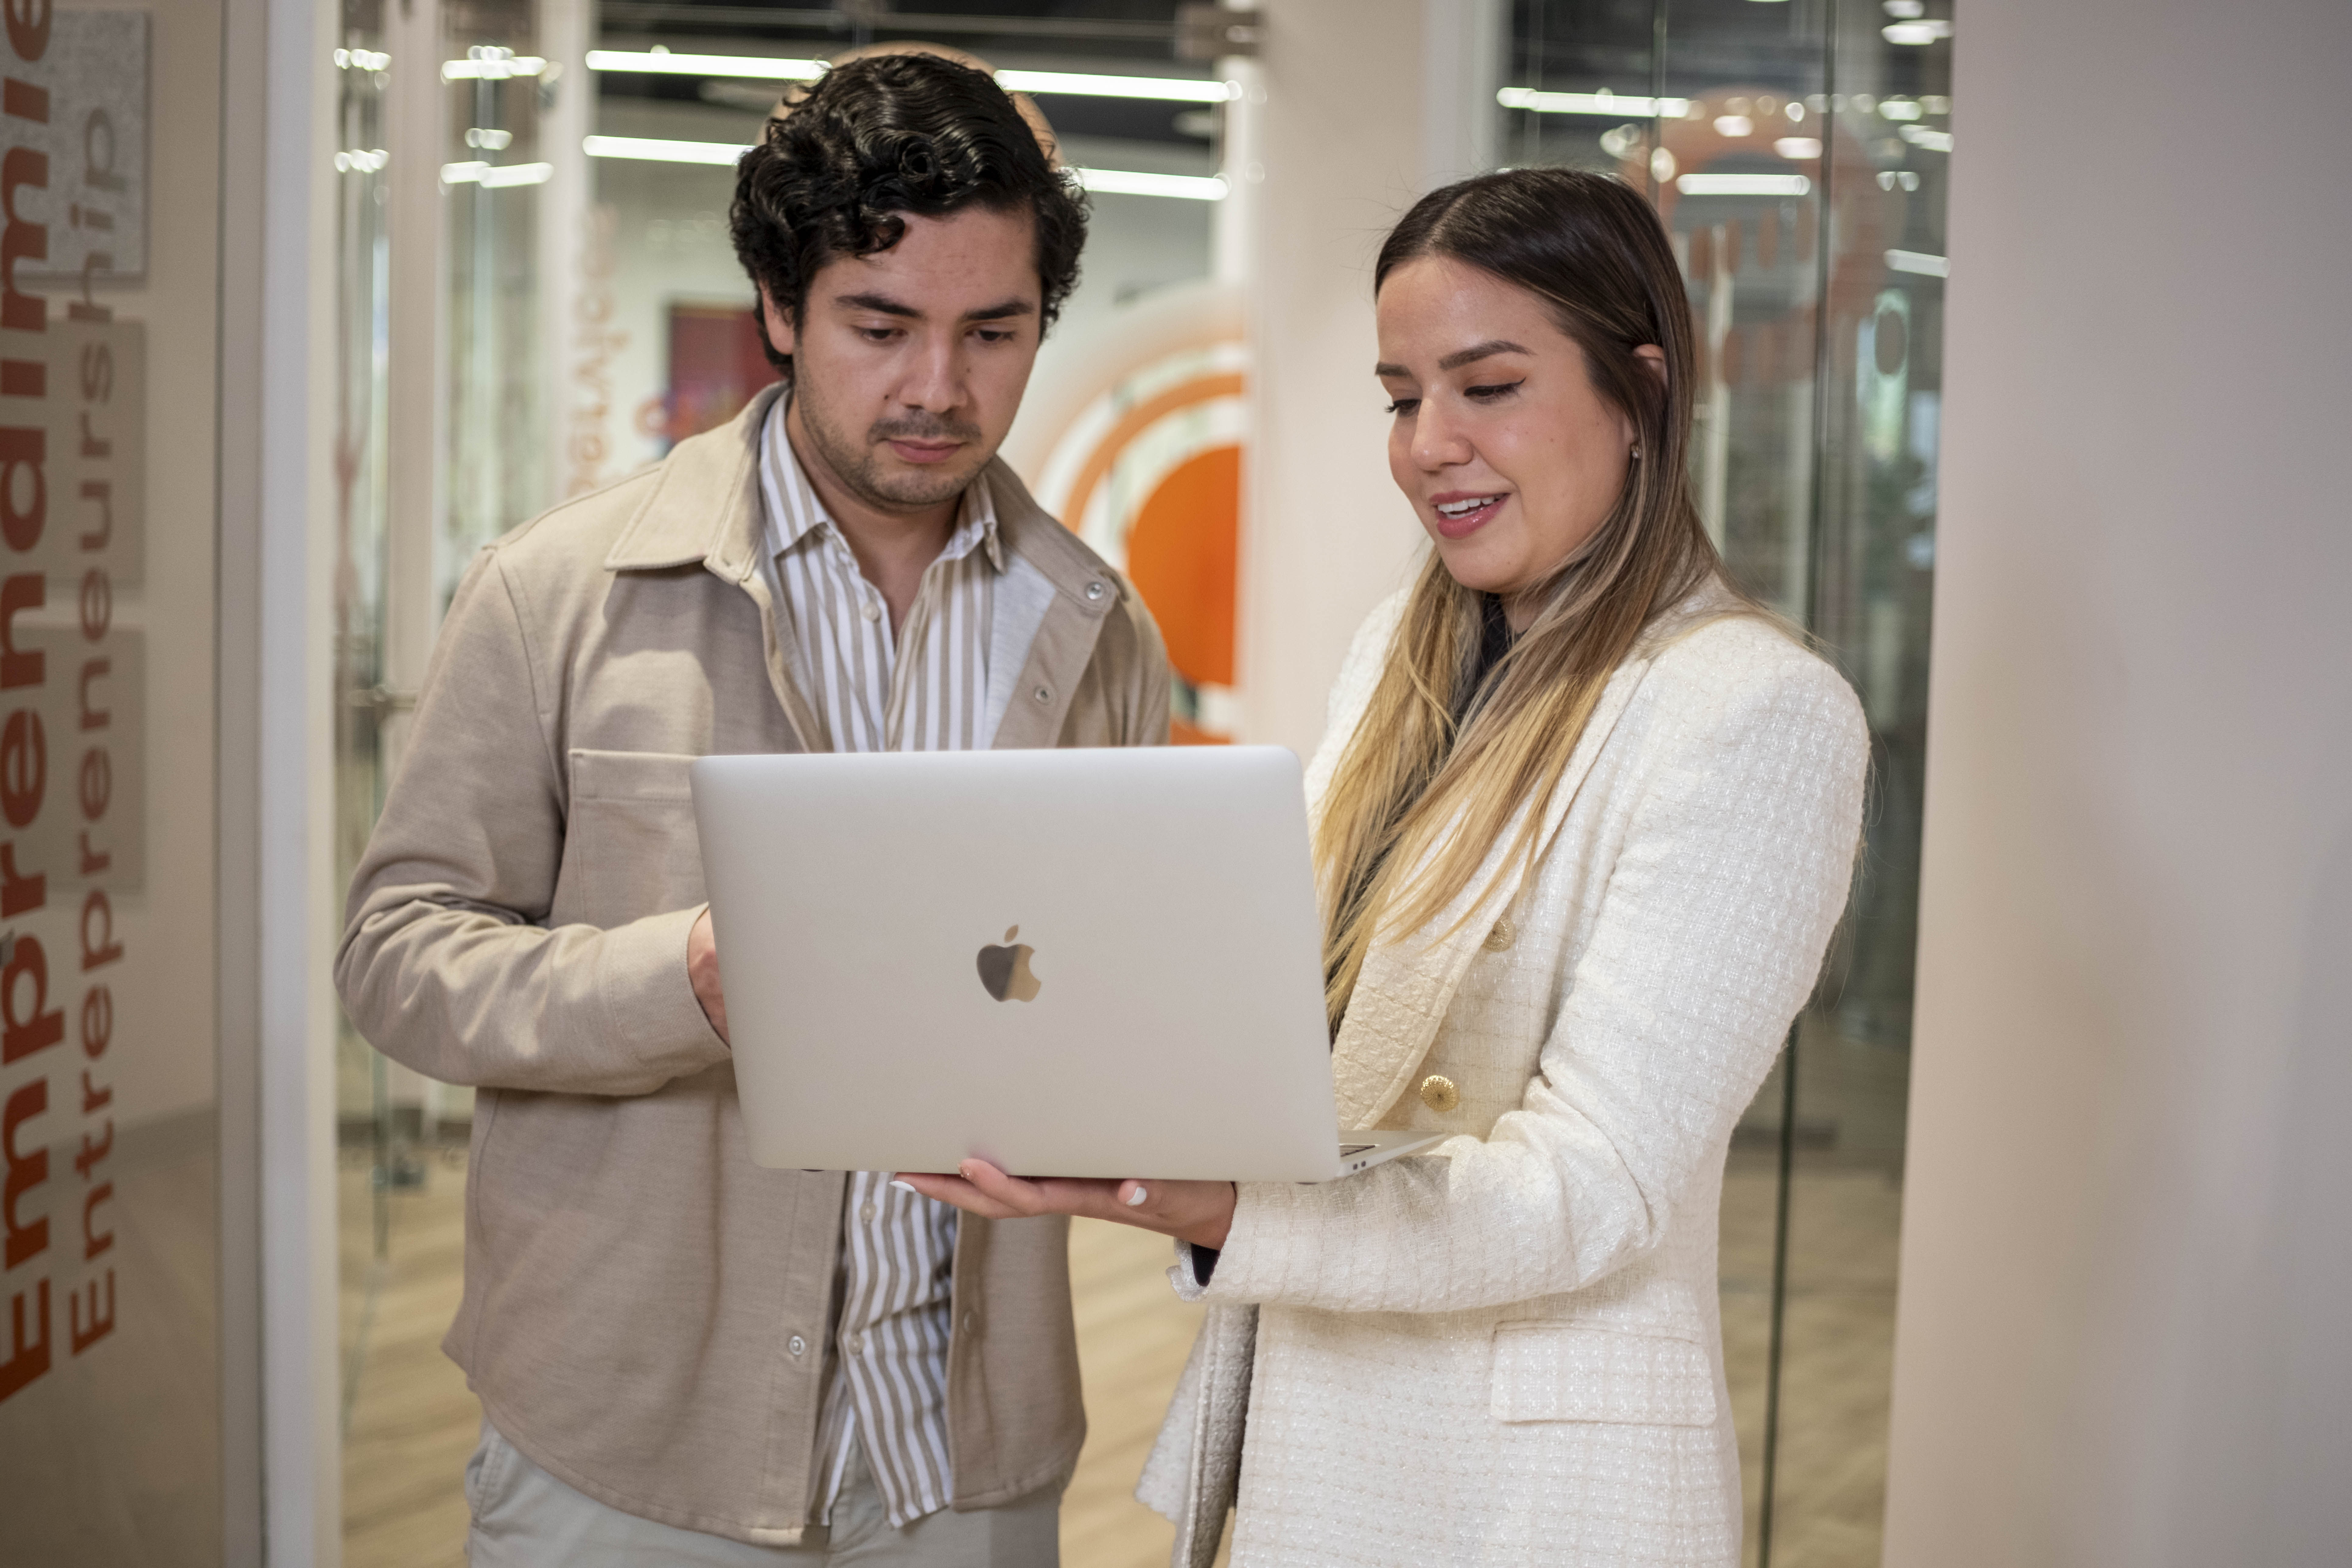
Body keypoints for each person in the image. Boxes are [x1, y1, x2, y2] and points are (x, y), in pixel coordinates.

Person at [898, 167, 1868, 1566]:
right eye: (1403, 398)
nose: (1430, 446)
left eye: (1490, 387)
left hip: (1531, 1499)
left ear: (1642, 392)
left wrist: (1219, 1204)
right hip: (1326, 1434)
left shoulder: (1751, 712)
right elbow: (1310, 1035)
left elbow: (1596, 1185)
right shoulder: (1398, 660)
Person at [335, 52, 1169, 1565]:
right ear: (780, 310)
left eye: (994, 332)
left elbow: (1108, 999)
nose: (939, 387)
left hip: (964, 1463)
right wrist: (690, 975)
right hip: (629, 1447)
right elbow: (397, 957)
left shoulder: (1099, 632)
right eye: (881, 327)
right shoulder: (556, 592)